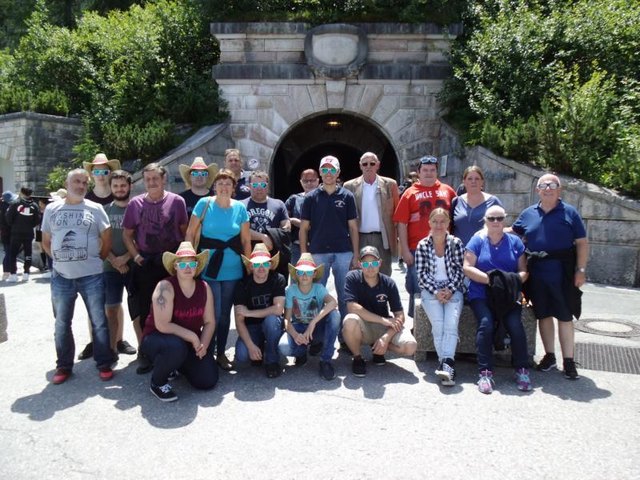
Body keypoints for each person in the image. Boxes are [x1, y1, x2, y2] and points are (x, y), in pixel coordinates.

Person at [510, 173, 589, 380]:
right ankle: (550, 356)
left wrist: (580, 270)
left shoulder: (570, 213)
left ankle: (569, 361)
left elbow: (581, 242)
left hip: (563, 271)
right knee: (543, 315)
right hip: (537, 272)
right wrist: (490, 228)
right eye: (543, 185)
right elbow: (514, 231)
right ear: (537, 190)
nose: (548, 188)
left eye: (552, 184)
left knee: (564, 316)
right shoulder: (528, 213)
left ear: (559, 189)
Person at [41, 168, 114, 384]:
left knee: (99, 321)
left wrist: (96, 260)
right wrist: (59, 259)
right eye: (77, 181)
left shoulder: (96, 208)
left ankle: (103, 363)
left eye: (84, 182)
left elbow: (106, 239)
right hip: (61, 277)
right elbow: (45, 240)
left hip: (92, 275)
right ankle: (63, 366)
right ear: (67, 182)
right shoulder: (52, 209)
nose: (81, 185)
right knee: (62, 323)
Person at [123, 163, 189, 373]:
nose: (151, 182)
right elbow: (127, 234)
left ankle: (175, 350)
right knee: (146, 309)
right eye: (148, 179)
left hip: (170, 263)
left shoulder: (177, 202)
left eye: (155, 179)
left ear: (163, 180)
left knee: (174, 308)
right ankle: (147, 353)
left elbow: (184, 231)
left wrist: (181, 258)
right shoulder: (135, 204)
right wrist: (136, 256)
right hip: (146, 263)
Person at [185, 168, 252, 371]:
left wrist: (249, 264)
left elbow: (245, 240)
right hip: (209, 267)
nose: (224, 187)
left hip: (232, 268)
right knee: (212, 313)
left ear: (233, 187)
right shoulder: (204, 204)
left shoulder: (240, 208)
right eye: (220, 183)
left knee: (225, 314)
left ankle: (221, 352)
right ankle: (207, 351)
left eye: (228, 183)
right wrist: (188, 257)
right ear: (214, 186)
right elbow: (190, 232)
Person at [463, 205, 531, 394]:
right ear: (485, 220)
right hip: (481, 293)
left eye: (499, 218)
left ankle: (522, 369)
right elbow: (467, 267)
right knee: (486, 324)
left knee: (515, 325)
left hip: (508, 294)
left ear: (505, 220)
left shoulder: (515, 242)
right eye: (491, 219)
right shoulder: (477, 240)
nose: (495, 222)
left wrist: (510, 282)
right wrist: (491, 281)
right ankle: (485, 372)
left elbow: (524, 271)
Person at [140, 242, 218, 402]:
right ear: (175, 265)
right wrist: (193, 337)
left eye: (192, 263)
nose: (187, 267)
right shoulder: (165, 287)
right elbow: (162, 325)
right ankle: (157, 382)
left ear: (197, 266)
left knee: (207, 380)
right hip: (158, 338)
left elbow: (210, 322)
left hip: (188, 343)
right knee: (176, 347)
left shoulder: (204, 287)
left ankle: (175, 366)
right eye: (183, 263)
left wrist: (202, 345)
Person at [393, 155, 457, 317]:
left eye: (432, 170)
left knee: (442, 286)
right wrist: (405, 251)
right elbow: (401, 223)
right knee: (417, 287)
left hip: (444, 249)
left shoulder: (448, 191)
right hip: (417, 249)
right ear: (419, 172)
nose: (429, 173)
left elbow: (456, 219)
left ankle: (439, 320)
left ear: (437, 172)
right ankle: (417, 323)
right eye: (425, 170)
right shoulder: (409, 193)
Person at [299, 155, 359, 323]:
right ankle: (315, 335)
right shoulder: (311, 197)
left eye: (331, 169)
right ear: (320, 172)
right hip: (318, 252)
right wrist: (305, 255)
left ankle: (346, 335)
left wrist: (356, 254)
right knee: (315, 295)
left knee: (345, 295)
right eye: (324, 169)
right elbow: (303, 228)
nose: (328, 173)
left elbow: (353, 227)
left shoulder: (347, 196)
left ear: (338, 172)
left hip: (343, 252)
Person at [342, 246, 417, 377]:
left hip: (383, 328)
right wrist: (383, 320)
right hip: (363, 327)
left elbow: (400, 316)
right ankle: (358, 358)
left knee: (411, 346)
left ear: (380, 263)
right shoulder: (352, 278)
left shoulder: (389, 283)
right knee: (349, 321)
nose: (370, 267)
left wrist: (386, 338)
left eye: (374, 263)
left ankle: (378, 349)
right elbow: (352, 307)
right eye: (365, 263)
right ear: (360, 264)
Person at [414, 209, 465, 386]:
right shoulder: (422, 245)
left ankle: (446, 364)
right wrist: (437, 291)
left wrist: (449, 290)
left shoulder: (456, 243)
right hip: (431, 290)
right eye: (435, 221)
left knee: (451, 324)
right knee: (439, 324)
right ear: (429, 223)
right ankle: (447, 365)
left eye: (442, 221)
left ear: (448, 223)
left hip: (453, 288)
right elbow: (421, 274)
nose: (438, 225)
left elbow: (460, 271)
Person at [279, 253, 341, 380]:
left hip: (315, 328)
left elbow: (333, 302)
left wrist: (313, 322)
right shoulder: (291, 290)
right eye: (301, 272)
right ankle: (301, 353)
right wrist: (295, 335)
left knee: (335, 315)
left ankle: (326, 360)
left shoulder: (319, 288)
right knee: (284, 347)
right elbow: (287, 319)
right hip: (299, 328)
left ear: (314, 274)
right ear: (296, 274)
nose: (305, 275)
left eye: (308, 272)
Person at [233, 244, 286, 378]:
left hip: (271, 324)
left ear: (270, 265)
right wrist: (250, 346)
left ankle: (272, 360)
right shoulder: (242, 284)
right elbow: (239, 320)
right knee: (242, 354)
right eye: (257, 264)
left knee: (272, 320)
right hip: (252, 327)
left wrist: (249, 313)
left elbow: (278, 309)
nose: (261, 268)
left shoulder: (278, 279)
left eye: (265, 264)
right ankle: (259, 348)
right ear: (251, 266)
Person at [343, 152, 399, 277]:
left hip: (383, 237)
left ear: (378, 165)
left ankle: (383, 297)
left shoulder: (390, 184)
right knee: (358, 273)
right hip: (359, 237)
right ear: (360, 166)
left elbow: (397, 213)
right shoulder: (349, 186)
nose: (368, 166)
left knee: (384, 274)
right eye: (365, 163)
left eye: (372, 163)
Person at [102, 170, 137, 357]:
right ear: (111, 188)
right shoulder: (104, 210)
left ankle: (143, 351)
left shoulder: (138, 207)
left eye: (123, 185)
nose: (120, 189)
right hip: (110, 268)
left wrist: (125, 258)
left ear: (130, 186)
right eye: (115, 186)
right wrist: (114, 260)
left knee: (137, 310)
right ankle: (112, 348)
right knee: (111, 308)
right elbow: (99, 240)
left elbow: (142, 237)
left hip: (133, 266)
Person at [242, 170, 291, 279]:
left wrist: (273, 236)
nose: (259, 188)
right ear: (249, 186)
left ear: (268, 186)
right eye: (255, 185)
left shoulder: (279, 204)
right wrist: (263, 237)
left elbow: (286, 227)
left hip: (272, 255)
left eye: (263, 184)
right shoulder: (241, 205)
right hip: (249, 254)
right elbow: (240, 230)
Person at [452, 166, 503, 246]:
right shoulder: (456, 202)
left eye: (477, 179)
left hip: (485, 251)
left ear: (482, 181)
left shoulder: (493, 201)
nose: (473, 181)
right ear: (464, 182)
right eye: (470, 179)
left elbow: (501, 227)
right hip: (458, 252)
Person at [285, 169, 320, 266]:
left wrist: (295, 221)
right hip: (297, 247)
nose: (309, 183)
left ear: (318, 181)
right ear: (301, 182)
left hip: (319, 247)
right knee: (297, 277)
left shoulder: (324, 199)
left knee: (318, 277)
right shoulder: (294, 199)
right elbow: (283, 219)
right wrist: (290, 221)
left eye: (312, 180)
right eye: (305, 181)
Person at [5, 187, 40, 282]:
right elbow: (37, 220)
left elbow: (8, 219)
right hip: (28, 232)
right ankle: (26, 273)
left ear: (21, 192)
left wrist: (15, 225)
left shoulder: (15, 204)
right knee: (28, 253)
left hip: (16, 232)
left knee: (13, 253)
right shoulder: (34, 205)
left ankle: (13, 274)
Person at [0, 190, 17, 281]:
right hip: (8, 233)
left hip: (5, 233)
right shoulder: (6, 208)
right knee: (9, 253)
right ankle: (6, 272)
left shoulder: (4, 206)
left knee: (9, 252)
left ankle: (8, 270)